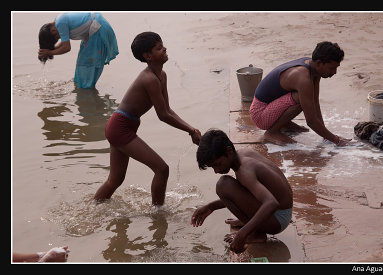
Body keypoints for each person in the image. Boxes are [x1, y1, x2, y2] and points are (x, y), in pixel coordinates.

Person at [94, 32, 201, 205]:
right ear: (148, 56)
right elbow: (163, 116)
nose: (164, 49)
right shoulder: (149, 79)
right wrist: (191, 130)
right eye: (159, 48)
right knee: (162, 169)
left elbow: (168, 110)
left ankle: (93, 208)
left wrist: (192, 129)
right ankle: (158, 213)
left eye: (162, 45)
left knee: (115, 180)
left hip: (120, 126)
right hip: (120, 128)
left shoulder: (161, 75)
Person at [191, 129, 293, 254]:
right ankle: (251, 223)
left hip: (278, 219)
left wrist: (242, 234)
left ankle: (257, 234)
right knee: (226, 185)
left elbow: (271, 203)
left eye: (217, 164)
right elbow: (246, 194)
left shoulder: (244, 171)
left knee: (223, 185)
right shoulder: (243, 153)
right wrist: (211, 207)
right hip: (282, 212)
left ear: (228, 151)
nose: (216, 171)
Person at [249, 41, 351, 146]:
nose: (334, 72)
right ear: (319, 63)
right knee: (300, 99)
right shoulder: (303, 78)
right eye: (332, 68)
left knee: (308, 98)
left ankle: (284, 124)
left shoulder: (314, 67)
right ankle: (272, 132)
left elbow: (315, 102)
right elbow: (311, 121)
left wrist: (326, 136)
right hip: (260, 114)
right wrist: (336, 140)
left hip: (269, 107)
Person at [38, 12, 119, 89]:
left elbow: (66, 47)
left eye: (57, 37)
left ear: (52, 31)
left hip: (97, 29)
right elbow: (64, 42)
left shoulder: (60, 24)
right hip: (94, 30)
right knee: (82, 63)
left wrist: (50, 52)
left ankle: (86, 92)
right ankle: (84, 87)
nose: (59, 38)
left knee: (87, 64)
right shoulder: (58, 21)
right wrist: (51, 50)